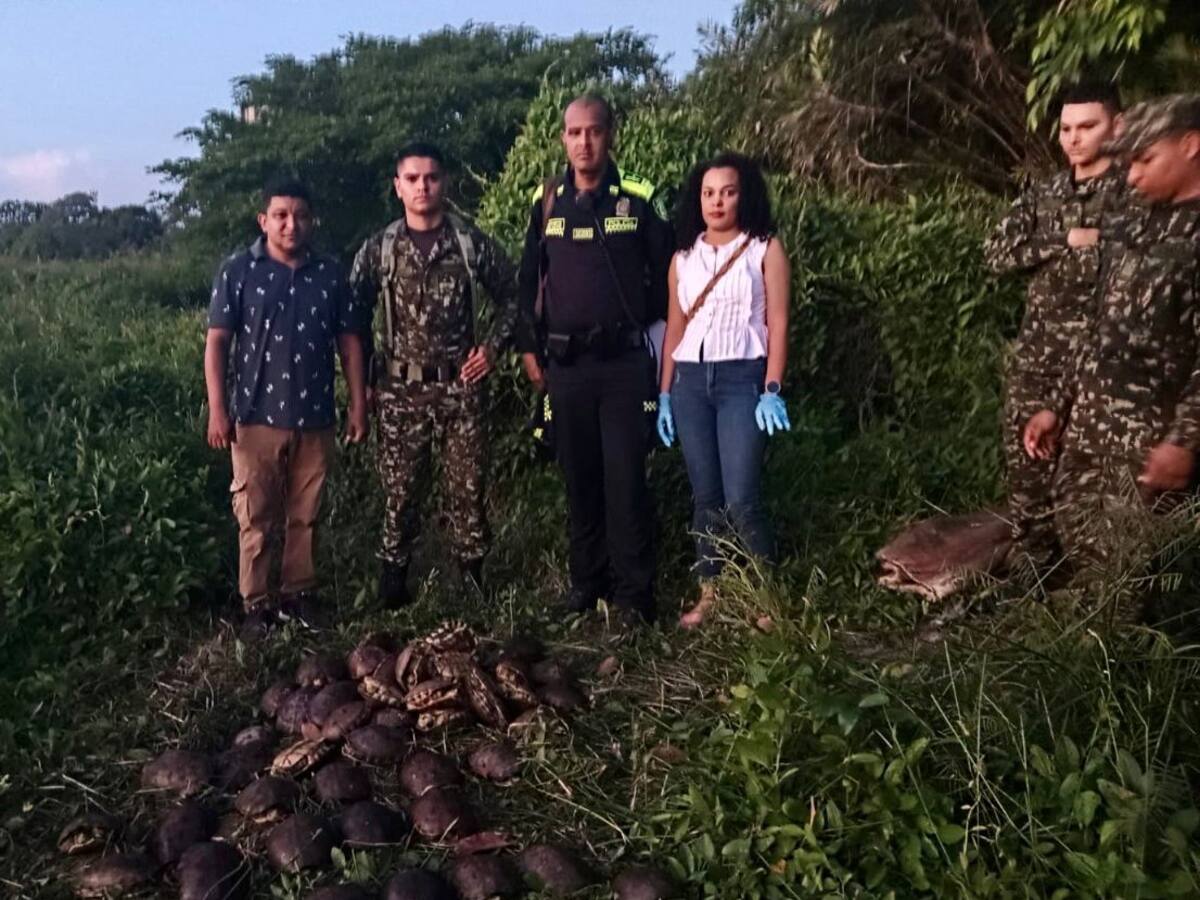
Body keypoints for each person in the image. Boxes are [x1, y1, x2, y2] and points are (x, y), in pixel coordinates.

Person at [1024, 94, 1200, 577]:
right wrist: (1055, 405)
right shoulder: (1130, 224)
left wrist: (1183, 440)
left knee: (1135, 575)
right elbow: (1099, 325)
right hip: (1088, 429)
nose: (1134, 176)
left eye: (1146, 160)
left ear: (1190, 145)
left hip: (1150, 440)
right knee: (1084, 553)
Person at [515, 94, 674, 625]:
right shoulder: (546, 202)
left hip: (625, 365)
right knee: (579, 479)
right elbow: (527, 281)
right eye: (574, 132)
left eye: (595, 132)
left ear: (611, 136)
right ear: (563, 138)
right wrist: (530, 347)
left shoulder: (639, 199)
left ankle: (634, 596)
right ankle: (587, 585)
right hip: (567, 367)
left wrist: (646, 339)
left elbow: (668, 280)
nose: (584, 142)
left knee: (626, 480)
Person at [350, 142, 518, 606]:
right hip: (399, 390)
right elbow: (352, 316)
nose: (422, 186)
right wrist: (363, 379)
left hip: (460, 389)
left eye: (431, 178)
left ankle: (472, 582)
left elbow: (514, 296)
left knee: (468, 489)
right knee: (400, 493)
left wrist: (492, 348)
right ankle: (393, 586)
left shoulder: (468, 243)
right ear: (397, 187)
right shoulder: (380, 249)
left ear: (444, 183)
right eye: (413, 179)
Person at [204, 176, 369, 626]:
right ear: (264, 221)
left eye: (299, 216)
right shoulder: (238, 271)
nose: (290, 225)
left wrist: (357, 405)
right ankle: (255, 602)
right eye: (280, 216)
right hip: (254, 417)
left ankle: (298, 595)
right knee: (255, 518)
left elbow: (350, 343)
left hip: (315, 416)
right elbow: (217, 342)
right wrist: (218, 410)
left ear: (311, 221)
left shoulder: (330, 273)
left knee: (305, 513)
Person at [983, 82, 1132, 576]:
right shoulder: (1045, 194)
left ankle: (1096, 598)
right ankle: (1031, 584)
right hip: (1039, 360)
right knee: (1028, 478)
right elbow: (997, 254)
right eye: (1066, 128)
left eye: (1087, 126)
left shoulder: (1136, 193)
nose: (1073, 138)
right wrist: (1062, 240)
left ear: (1118, 126)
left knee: (1095, 490)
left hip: (1105, 367)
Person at [655, 153, 791, 628]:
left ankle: (764, 597)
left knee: (742, 497)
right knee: (705, 497)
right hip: (691, 381)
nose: (717, 201)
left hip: (741, 379)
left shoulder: (763, 249)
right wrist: (665, 395)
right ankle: (710, 591)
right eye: (709, 193)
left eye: (728, 191)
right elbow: (674, 328)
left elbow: (778, 320)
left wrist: (771, 386)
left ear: (744, 194)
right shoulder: (683, 257)